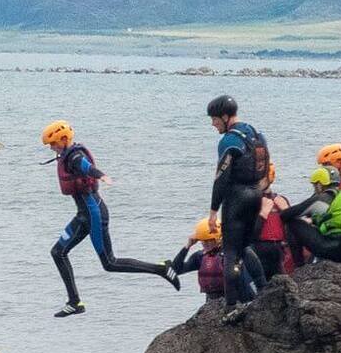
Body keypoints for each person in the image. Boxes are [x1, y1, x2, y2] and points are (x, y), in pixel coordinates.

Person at [42, 120, 180, 318]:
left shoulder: (74, 157)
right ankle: (74, 302)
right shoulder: (67, 155)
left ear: (63, 139)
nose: (51, 148)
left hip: (93, 215)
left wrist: (102, 175)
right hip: (84, 214)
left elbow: (87, 167)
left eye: (53, 144)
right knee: (58, 252)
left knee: (110, 263)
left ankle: (161, 268)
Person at [204, 95, 273, 320]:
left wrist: (214, 211)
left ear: (225, 117)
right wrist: (260, 189)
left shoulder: (229, 140)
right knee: (245, 247)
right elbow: (265, 165)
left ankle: (231, 306)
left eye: (214, 119)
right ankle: (263, 292)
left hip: (236, 197)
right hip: (255, 194)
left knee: (231, 252)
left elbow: (221, 177)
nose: (213, 124)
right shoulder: (256, 134)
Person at [280, 166, 341, 265]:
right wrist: (313, 220)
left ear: (319, 185)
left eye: (315, 186)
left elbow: (286, 215)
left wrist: (283, 207)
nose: (315, 189)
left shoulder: (321, 199)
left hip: (335, 251)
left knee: (292, 224)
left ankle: (299, 266)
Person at [169, 217, 227, 300]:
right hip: (211, 300)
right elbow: (176, 270)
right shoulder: (200, 257)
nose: (205, 244)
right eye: (203, 240)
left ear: (219, 239)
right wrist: (187, 246)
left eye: (209, 240)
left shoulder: (230, 254)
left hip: (232, 297)